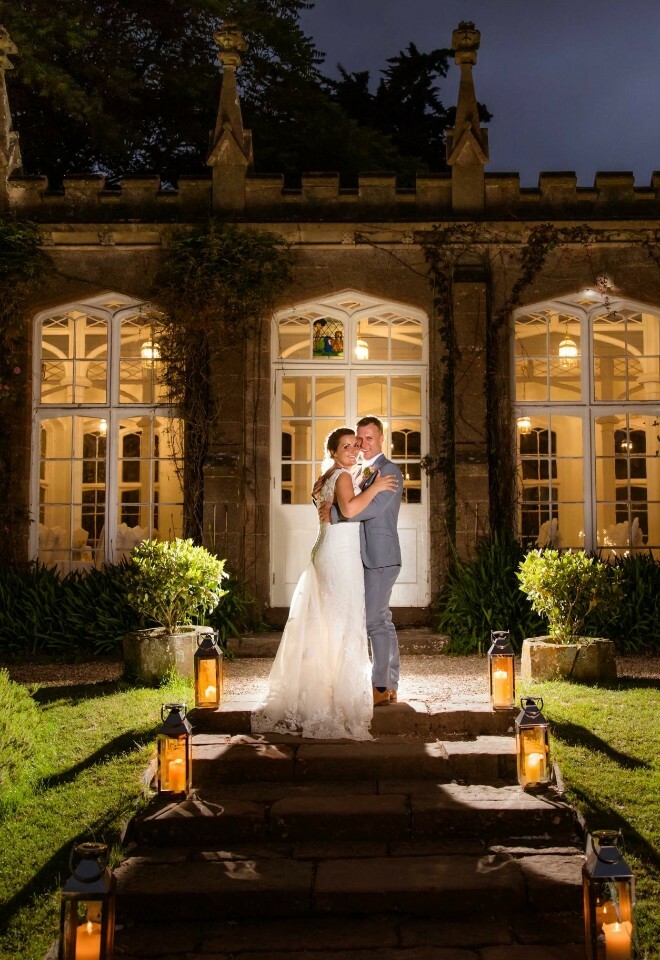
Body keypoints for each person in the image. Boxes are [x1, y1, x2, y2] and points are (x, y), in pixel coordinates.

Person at [252, 427, 398, 740]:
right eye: (345, 446)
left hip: (326, 549)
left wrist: (359, 482)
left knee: (327, 622)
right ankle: (336, 699)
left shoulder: (330, 475)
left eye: (354, 446)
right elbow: (349, 509)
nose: (352, 451)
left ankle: (320, 692)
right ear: (332, 451)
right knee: (343, 622)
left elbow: (336, 508)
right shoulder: (343, 476)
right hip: (340, 556)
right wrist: (377, 488)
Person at [319, 416, 403, 707]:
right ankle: (390, 682)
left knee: (375, 621)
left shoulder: (389, 471)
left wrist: (335, 514)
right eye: (360, 439)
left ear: (381, 439)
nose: (363, 444)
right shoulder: (364, 472)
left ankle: (380, 685)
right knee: (382, 619)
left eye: (369, 438)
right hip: (363, 554)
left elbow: (371, 509)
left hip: (381, 556)